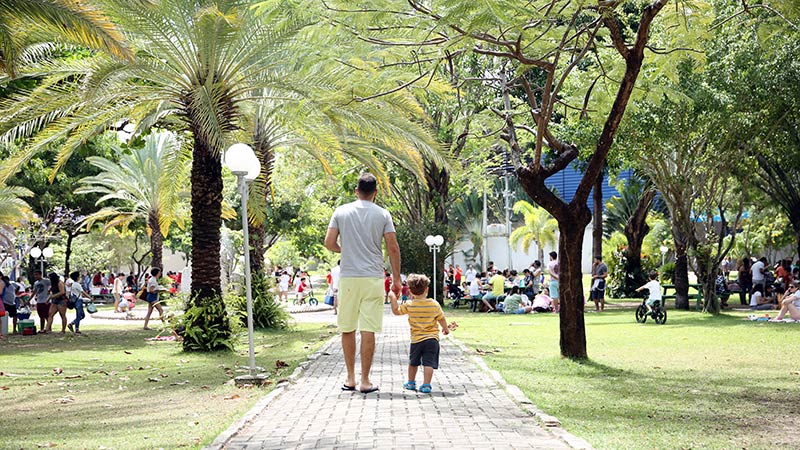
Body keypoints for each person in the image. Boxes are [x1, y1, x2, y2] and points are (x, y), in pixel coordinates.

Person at [324, 172, 401, 394]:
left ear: (357, 191)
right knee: (369, 329)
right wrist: (396, 279)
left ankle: (350, 378)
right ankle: (365, 380)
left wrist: (344, 248)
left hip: (348, 278)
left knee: (347, 328)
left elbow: (329, 242)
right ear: (375, 193)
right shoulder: (383, 214)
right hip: (373, 278)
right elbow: (393, 248)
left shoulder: (341, 211)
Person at [389, 274, 449, 394]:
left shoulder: (410, 305)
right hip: (432, 339)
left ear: (410, 292)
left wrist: (392, 296)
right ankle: (426, 385)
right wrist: (445, 328)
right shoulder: (434, 304)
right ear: (427, 289)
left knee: (413, 362)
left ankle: (411, 382)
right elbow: (441, 318)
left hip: (416, 340)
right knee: (429, 363)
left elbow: (396, 311)